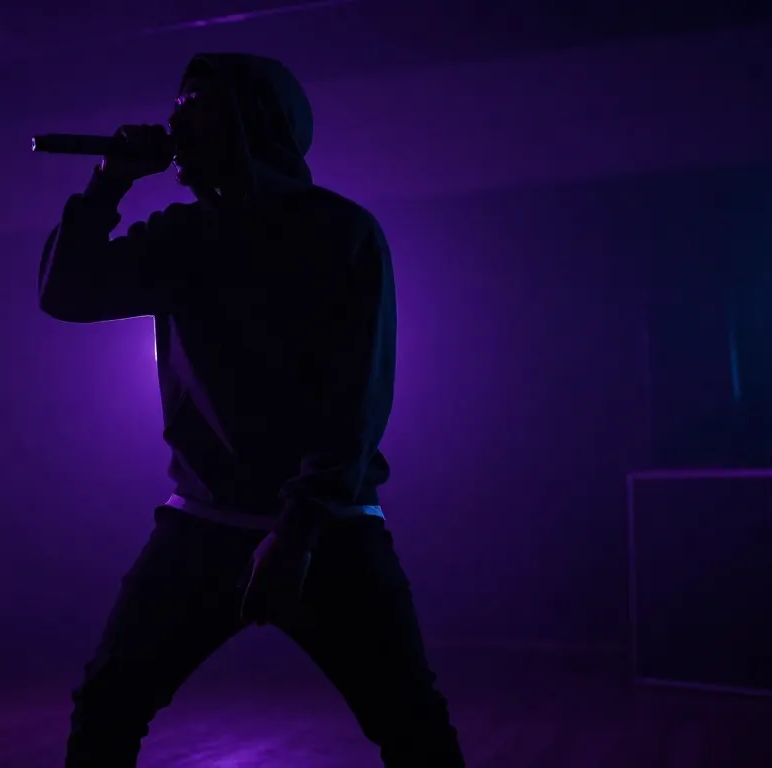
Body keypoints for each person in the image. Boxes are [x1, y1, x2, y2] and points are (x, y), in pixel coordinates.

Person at [38, 53, 466, 767]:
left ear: (256, 119)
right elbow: (66, 293)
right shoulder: (180, 235)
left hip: (328, 528)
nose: (176, 118)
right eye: (176, 101)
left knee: (411, 726)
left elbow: (356, 398)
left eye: (197, 102)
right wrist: (109, 180)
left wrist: (296, 531)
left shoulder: (341, 231)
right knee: (107, 706)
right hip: (206, 519)